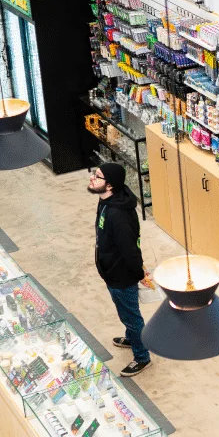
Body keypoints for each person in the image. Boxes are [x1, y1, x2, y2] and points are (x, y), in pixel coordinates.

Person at [89, 162, 152, 377]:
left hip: (121, 276)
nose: (92, 179)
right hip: (112, 271)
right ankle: (132, 337)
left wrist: (140, 273)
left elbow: (130, 250)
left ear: (110, 186)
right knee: (126, 313)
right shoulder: (106, 201)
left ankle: (142, 356)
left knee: (131, 316)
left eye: (97, 177)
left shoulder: (118, 215)